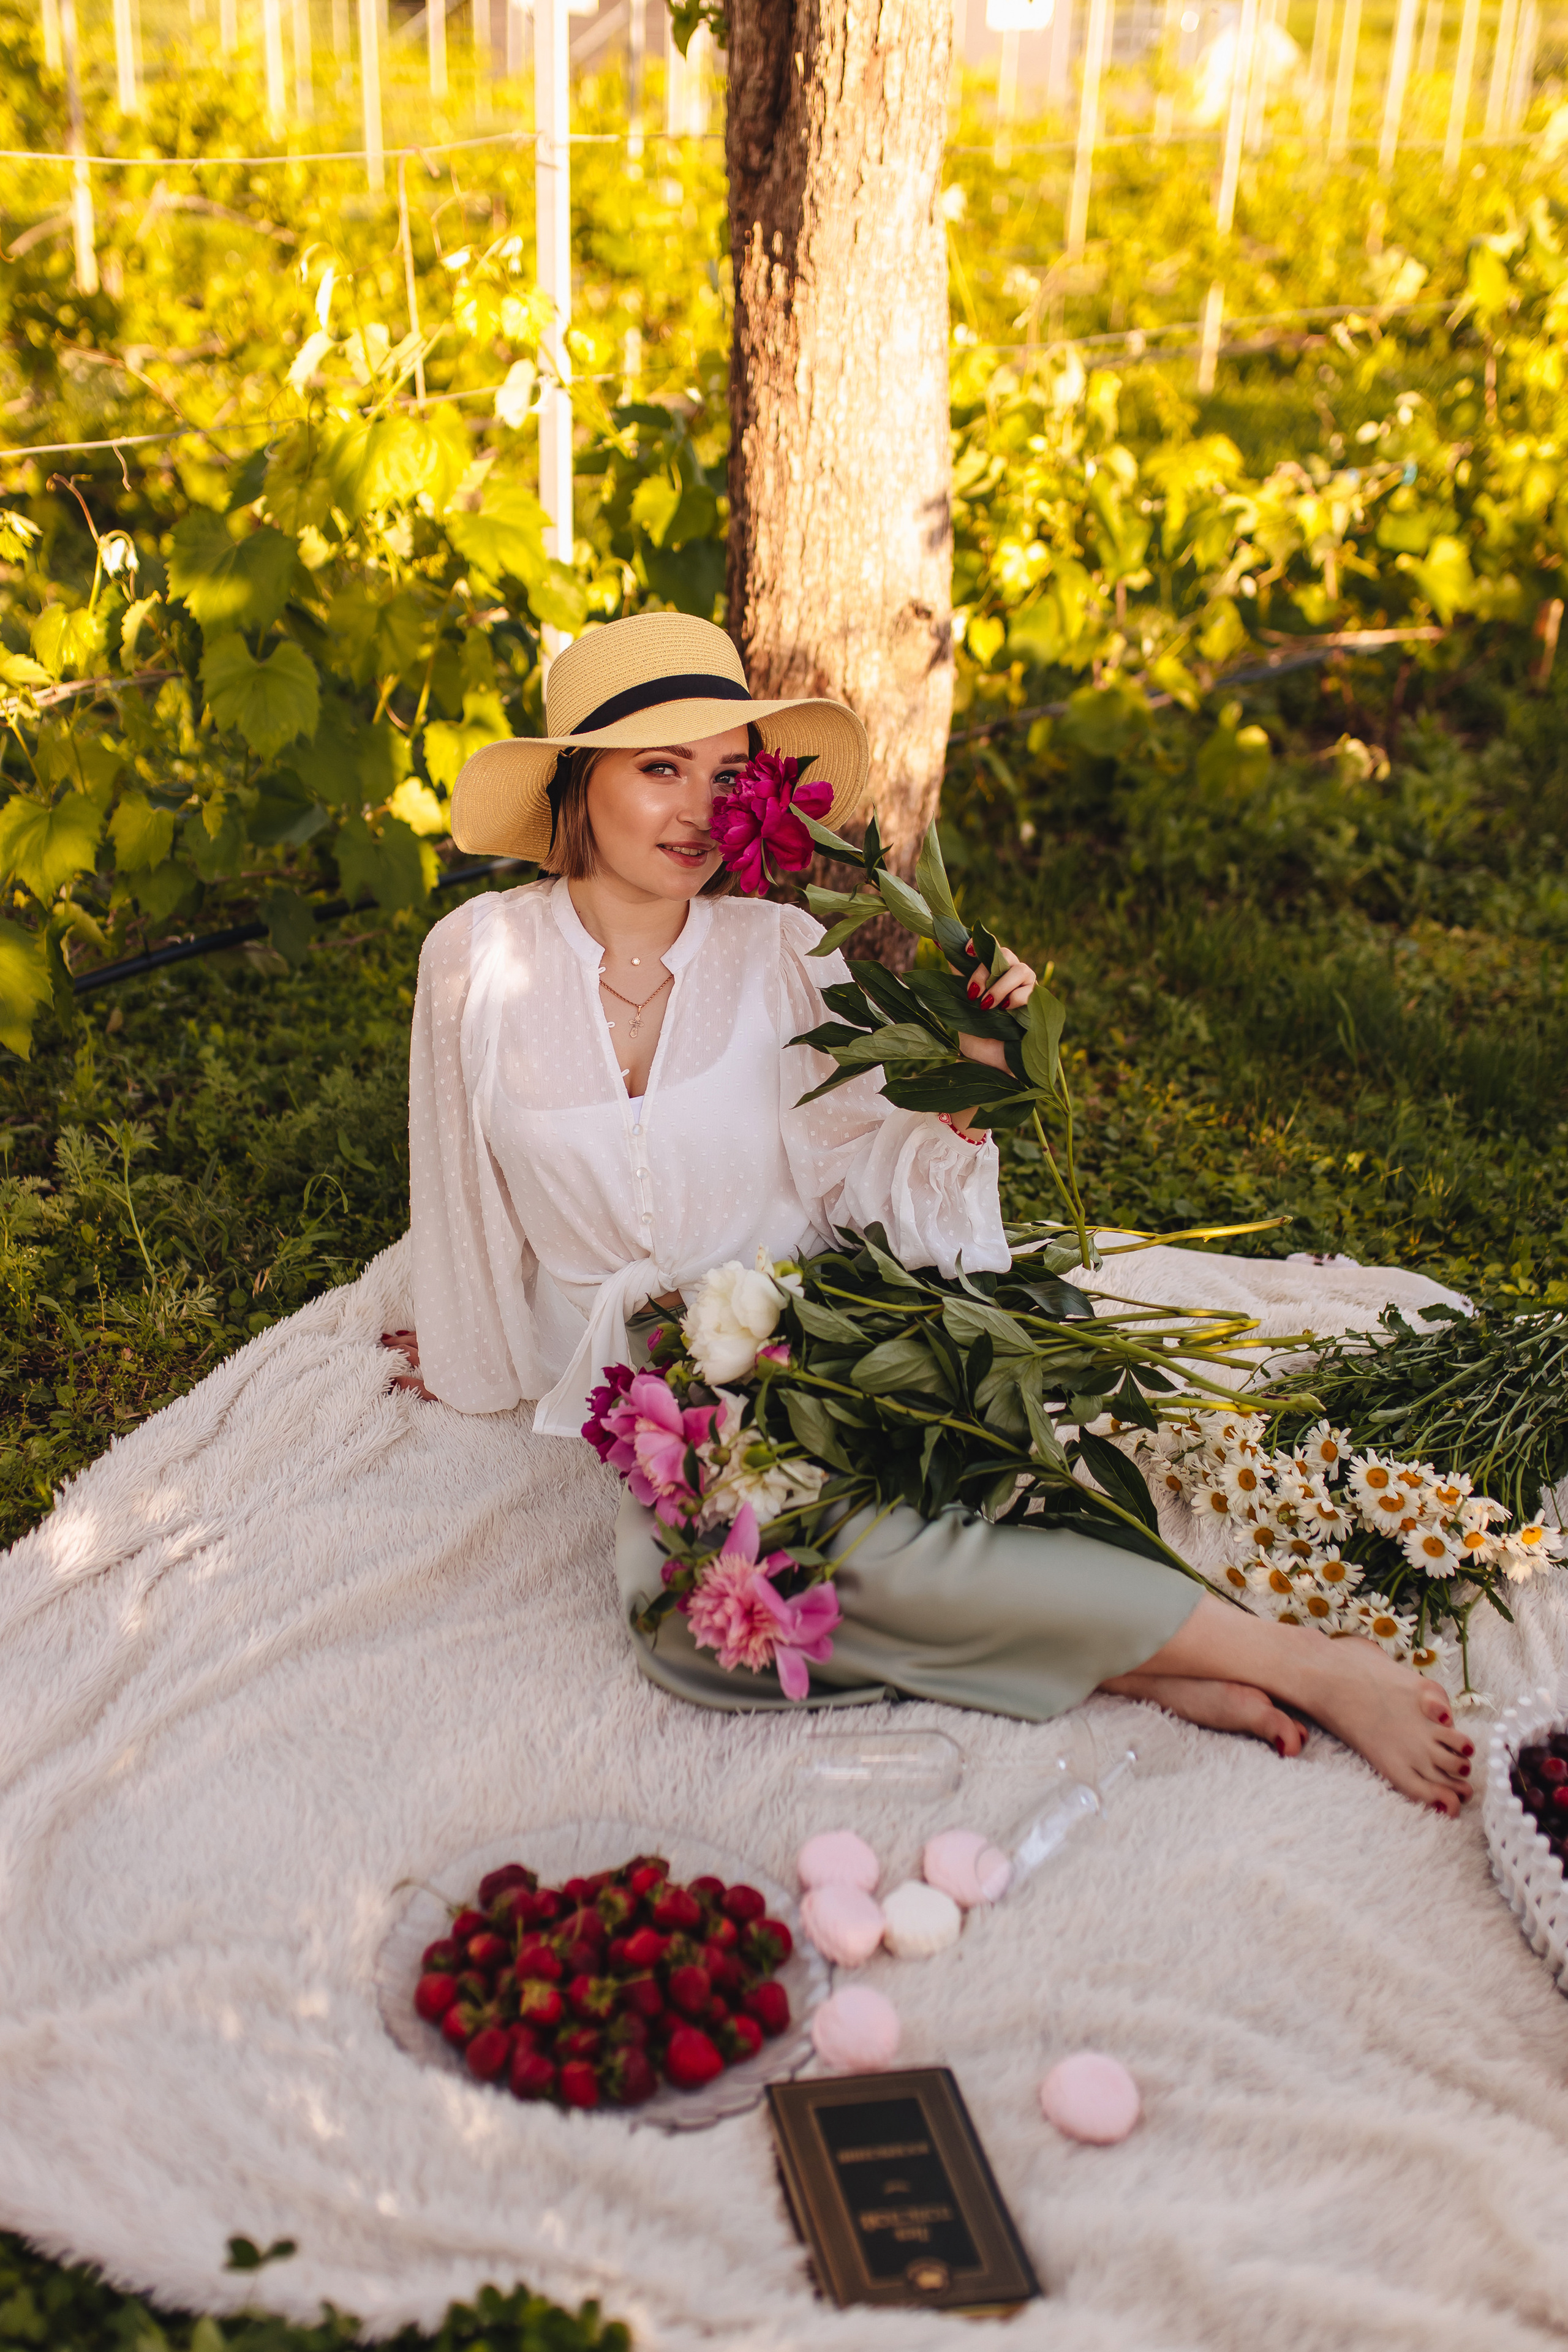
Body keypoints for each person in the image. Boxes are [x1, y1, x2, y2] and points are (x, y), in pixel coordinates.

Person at [391, 610, 1473, 1816]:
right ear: (577, 783)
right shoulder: (475, 962)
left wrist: (969, 1081)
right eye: (659, 768)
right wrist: (467, 1352)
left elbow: (860, 1176)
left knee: (811, 1564)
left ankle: (1293, 1659)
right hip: (647, 1385)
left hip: (805, 1329)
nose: (699, 809)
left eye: (725, 774)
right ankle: (1127, 1661)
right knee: (695, 1633)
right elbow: (461, 1184)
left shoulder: (781, 950)